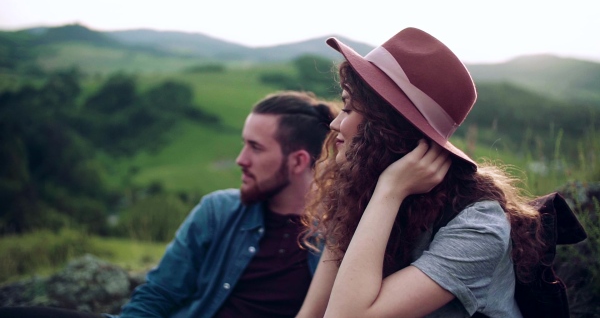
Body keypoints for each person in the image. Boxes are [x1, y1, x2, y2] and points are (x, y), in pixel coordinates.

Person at [0, 91, 338, 318]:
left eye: (256, 148)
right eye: (242, 145)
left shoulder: (335, 238)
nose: (240, 159)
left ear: (297, 162)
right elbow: (158, 295)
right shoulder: (217, 211)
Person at [296, 28, 545, 317]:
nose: (335, 123)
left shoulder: (478, 227)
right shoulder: (359, 191)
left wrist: (389, 191)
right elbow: (311, 313)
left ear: (388, 127)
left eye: (349, 109)